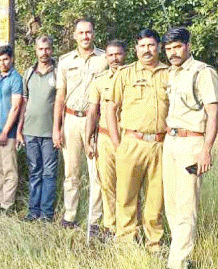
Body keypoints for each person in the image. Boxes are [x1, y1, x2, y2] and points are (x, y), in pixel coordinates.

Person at [105, 29, 168, 251]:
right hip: (131, 143)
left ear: (159, 47)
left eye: (151, 45)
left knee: (156, 199)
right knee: (125, 197)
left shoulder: (169, 74)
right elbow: (111, 108)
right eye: (142, 46)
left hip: (160, 145)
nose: (147, 50)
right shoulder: (125, 74)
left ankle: (154, 243)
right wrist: (117, 143)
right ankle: (126, 242)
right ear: (136, 49)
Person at [162, 28, 218, 269]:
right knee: (172, 205)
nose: (173, 53)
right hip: (171, 142)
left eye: (177, 47)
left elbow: (213, 113)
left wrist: (206, 150)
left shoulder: (203, 73)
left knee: (186, 206)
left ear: (188, 45)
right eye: (168, 48)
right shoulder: (172, 73)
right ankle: (180, 255)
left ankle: (177, 266)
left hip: (192, 143)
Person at [53, 19, 107, 228]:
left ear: (94, 34)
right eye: (81, 33)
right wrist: (56, 128)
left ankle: (94, 221)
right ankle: (70, 216)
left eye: (88, 32)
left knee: (96, 173)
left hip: (95, 121)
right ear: (75, 35)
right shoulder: (65, 61)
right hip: (71, 121)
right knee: (71, 172)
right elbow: (60, 96)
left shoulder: (104, 59)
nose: (85, 36)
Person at [85, 40, 127, 237]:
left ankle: (127, 228)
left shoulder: (132, 77)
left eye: (118, 54)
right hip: (104, 138)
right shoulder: (100, 80)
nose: (115, 58)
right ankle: (110, 227)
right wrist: (88, 139)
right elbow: (93, 112)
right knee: (107, 185)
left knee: (128, 186)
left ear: (125, 55)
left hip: (128, 138)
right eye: (110, 55)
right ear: (106, 57)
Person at [17, 36, 58, 221]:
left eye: (47, 49)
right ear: (36, 50)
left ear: (52, 49)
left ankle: (47, 214)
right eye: (41, 49)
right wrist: (19, 129)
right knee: (35, 172)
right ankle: (33, 211)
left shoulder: (58, 72)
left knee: (49, 173)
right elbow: (24, 102)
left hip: (50, 133)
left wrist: (59, 129)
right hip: (30, 131)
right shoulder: (29, 73)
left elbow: (61, 103)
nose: (44, 53)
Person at [0, 45, 23, 214]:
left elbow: (16, 107)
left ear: (11, 59)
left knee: (10, 169)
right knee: (0, 169)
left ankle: (7, 205)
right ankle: (0, 200)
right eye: (0, 60)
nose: (3, 62)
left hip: (7, 133)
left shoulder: (15, 78)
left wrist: (5, 131)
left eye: (6, 59)